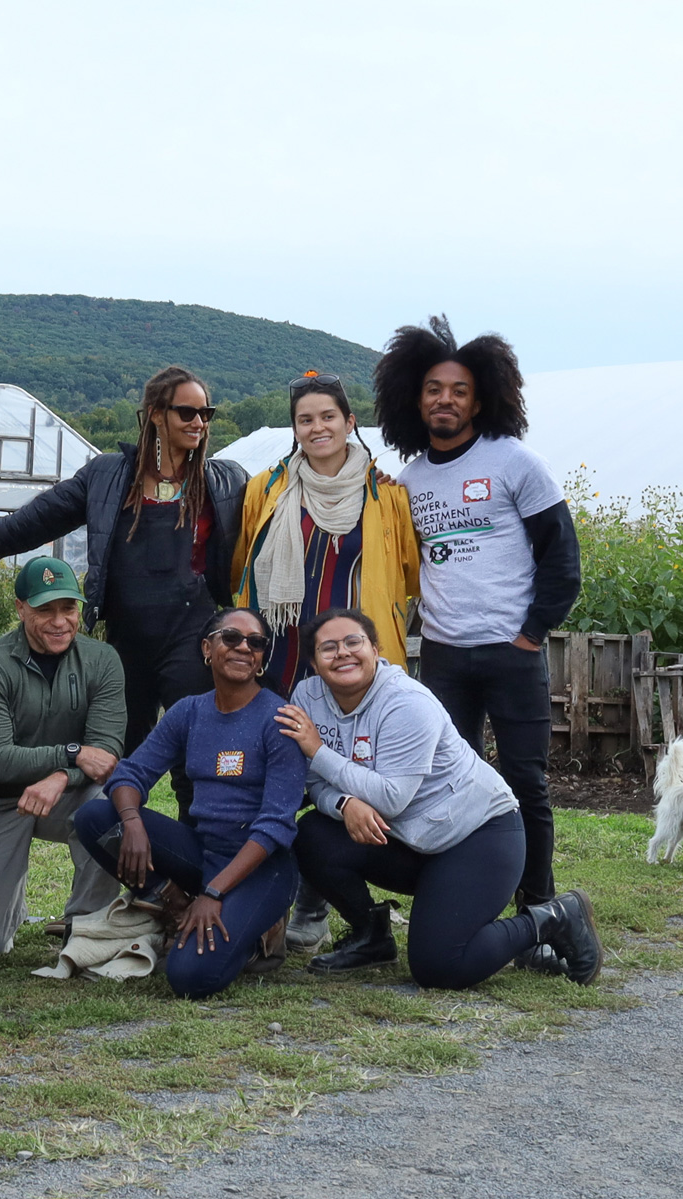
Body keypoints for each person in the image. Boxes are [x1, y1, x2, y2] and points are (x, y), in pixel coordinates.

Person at [373, 315, 581, 972]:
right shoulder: (409, 480)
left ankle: (540, 910)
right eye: (434, 389)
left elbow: (561, 558)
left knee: (525, 781)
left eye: (458, 390)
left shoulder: (515, 462)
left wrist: (529, 636)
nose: (445, 400)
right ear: (416, 397)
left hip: (511, 654)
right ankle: (462, 901)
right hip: (442, 658)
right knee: (447, 788)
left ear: (481, 397)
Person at [278, 609, 602, 988]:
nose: (343, 653)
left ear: (377, 650)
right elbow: (314, 782)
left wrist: (318, 749)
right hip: (408, 837)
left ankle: (553, 918)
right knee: (313, 833)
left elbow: (391, 796)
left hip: (478, 835)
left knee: (440, 967)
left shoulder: (407, 702)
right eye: (328, 648)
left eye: (354, 642)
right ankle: (371, 936)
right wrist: (344, 804)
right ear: (314, 664)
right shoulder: (307, 698)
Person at [0, 368, 248, 819]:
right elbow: (32, 523)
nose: (199, 422)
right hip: (125, 641)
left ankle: (195, 871)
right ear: (155, 415)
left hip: (193, 637)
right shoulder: (108, 476)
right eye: (187, 412)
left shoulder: (225, 481)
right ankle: (123, 861)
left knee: (194, 759)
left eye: (206, 412)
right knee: (120, 756)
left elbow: (289, 501)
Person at [230, 372, 422, 953]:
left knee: (343, 764)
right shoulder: (266, 487)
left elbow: (408, 572)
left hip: (351, 658)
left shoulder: (386, 493)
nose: (317, 428)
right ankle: (264, 898)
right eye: (305, 420)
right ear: (295, 428)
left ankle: (315, 904)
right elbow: (244, 561)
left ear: (349, 421)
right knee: (278, 765)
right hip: (285, 650)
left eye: (327, 417)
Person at [72, 608, 305, 1000]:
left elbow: (275, 826)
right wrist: (131, 822)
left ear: (263, 656)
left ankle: (260, 933)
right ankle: (175, 904)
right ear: (206, 648)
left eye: (256, 642)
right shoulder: (189, 712)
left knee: (189, 977)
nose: (244, 648)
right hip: (202, 852)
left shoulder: (279, 721)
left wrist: (214, 894)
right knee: (97, 816)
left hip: (261, 866)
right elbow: (130, 774)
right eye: (231, 637)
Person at [0, 556, 124, 962]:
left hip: (65, 795)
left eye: (69, 608)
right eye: (45, 609)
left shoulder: (102, 660)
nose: (60, 621)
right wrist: (72, 754)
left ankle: (86, 929)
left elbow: (107, 754)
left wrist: (61, 776)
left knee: (110, 803)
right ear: (20, 608)